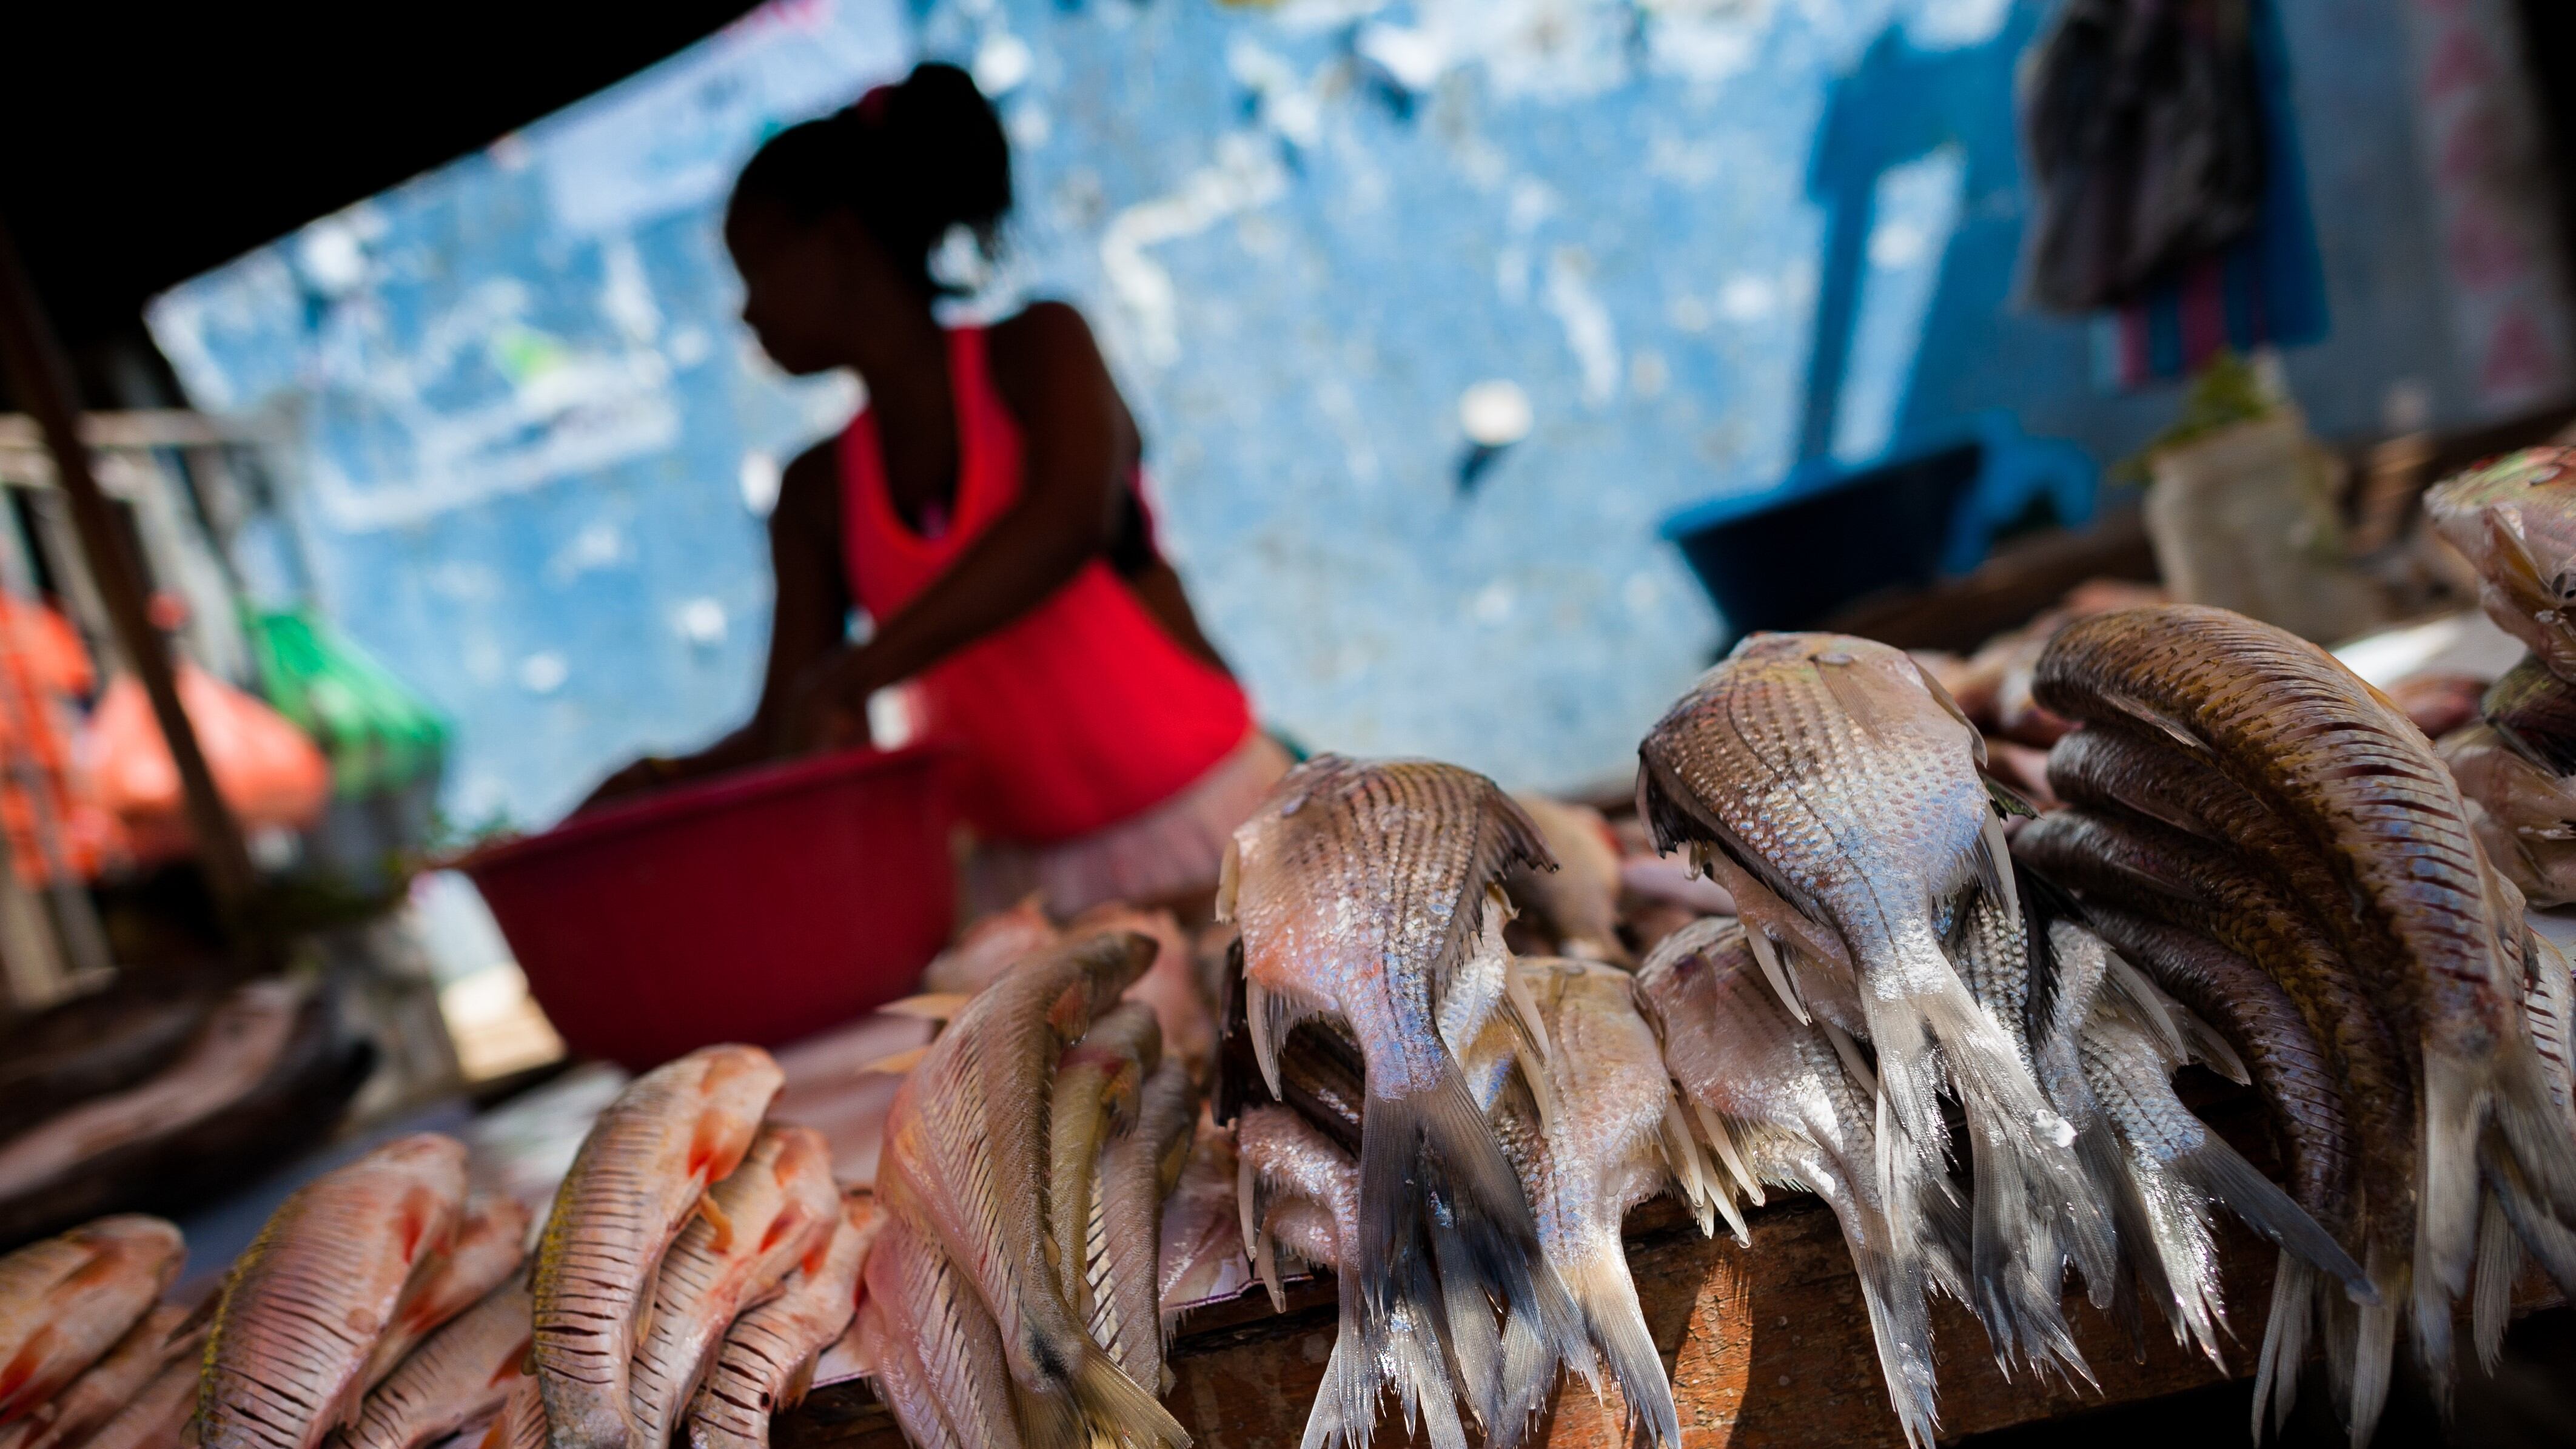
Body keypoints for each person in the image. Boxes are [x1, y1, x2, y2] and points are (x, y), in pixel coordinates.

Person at [585, 62, 1285, 918]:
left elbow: (1067, 522)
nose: (747, 314)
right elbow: (787, 726)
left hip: (1212, 827)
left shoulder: (1038, 350)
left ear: (839, 242)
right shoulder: (813, 494)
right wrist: (660, 782)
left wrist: (854, 678)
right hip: (1029, 896)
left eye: (757, 270)